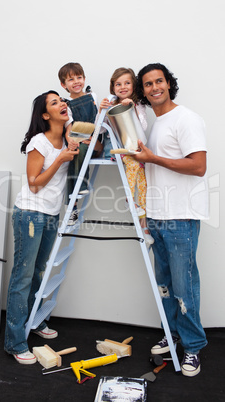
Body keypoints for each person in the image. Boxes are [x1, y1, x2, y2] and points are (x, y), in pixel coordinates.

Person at [135, 63, 209, 377]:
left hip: (181, 216)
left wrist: (153, 158)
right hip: (158, 216)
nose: (154, 88)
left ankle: (192, 347)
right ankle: (173, 333)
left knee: (184, 286)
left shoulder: (186, 118)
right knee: (165, 285)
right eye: (148, 84)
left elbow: (198, 166)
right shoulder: (153, 124)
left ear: (168, 84)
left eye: (159, 81)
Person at [4, 91, 79, 364]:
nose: (63, 104)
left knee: (39, 271)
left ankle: (34, 321)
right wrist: (60, 159)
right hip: (31, 215)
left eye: (62, 100)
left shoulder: (68, 137)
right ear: (45, 115)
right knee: (23, 276)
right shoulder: (40, 142)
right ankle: (14, 343)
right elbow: (34, 183)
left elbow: (78, 120)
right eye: (55, 102)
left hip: (50, 215)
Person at [99, 67, 154, 245]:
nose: (123, 87)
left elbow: (143, 127)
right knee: (132, 165)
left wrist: (133, 108)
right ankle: (129, 199)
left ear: (133, 85)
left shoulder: (139, 104)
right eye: (118, 84)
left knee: (143, 183)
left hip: (135, 148)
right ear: (113, 87)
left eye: (127, 83)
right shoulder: (110, 103)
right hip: (119, 149)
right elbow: (99, 129)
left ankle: (143, 226)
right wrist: (101, 112)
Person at [58, 62, 103, 225]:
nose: (76, 81)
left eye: (79, 77)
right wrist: (78, 140)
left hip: (96, 138)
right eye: (71, 79)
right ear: (64, 85)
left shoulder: (93, 96)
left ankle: (78, 189)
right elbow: (69, 130)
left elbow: (99, 120)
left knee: (87, 147)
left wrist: (94, 138)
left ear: (84, 79)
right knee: (77, 152)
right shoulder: (66, 103)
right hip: (79, 140)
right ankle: (72, 205)